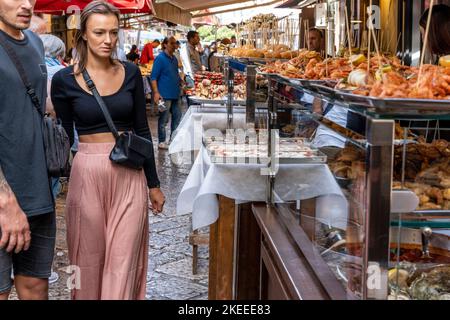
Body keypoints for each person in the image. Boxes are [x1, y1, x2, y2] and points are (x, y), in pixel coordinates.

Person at [51, 0, 165, 300]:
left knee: (124, 262)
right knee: (86, 262)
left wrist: (153, 184)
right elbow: (63, 134)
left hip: (129, 173)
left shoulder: (131, 74)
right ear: (84, 35)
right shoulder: (63, 80)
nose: (108, 40)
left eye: (113, 33)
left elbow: (142, 131)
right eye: (99, 32)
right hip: (86, 173)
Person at [0, 0, 55, 300]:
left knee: (36, 287)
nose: (26, 4)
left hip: (38, 191)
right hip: (3, 198)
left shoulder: (35, 41)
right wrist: (5, 199)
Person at [150, 36, 182, 150]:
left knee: (177, 117)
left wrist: (180, 80)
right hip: (163, 96)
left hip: (175, 94)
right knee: (163, 118)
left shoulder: (174, 59)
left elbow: (175, 73)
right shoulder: (159, 59)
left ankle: (173, 140)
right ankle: (162, 141)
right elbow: (153, 77)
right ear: (165, 45)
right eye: (172, 43)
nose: (174, 45)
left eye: (175, 43)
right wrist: (156, 93)